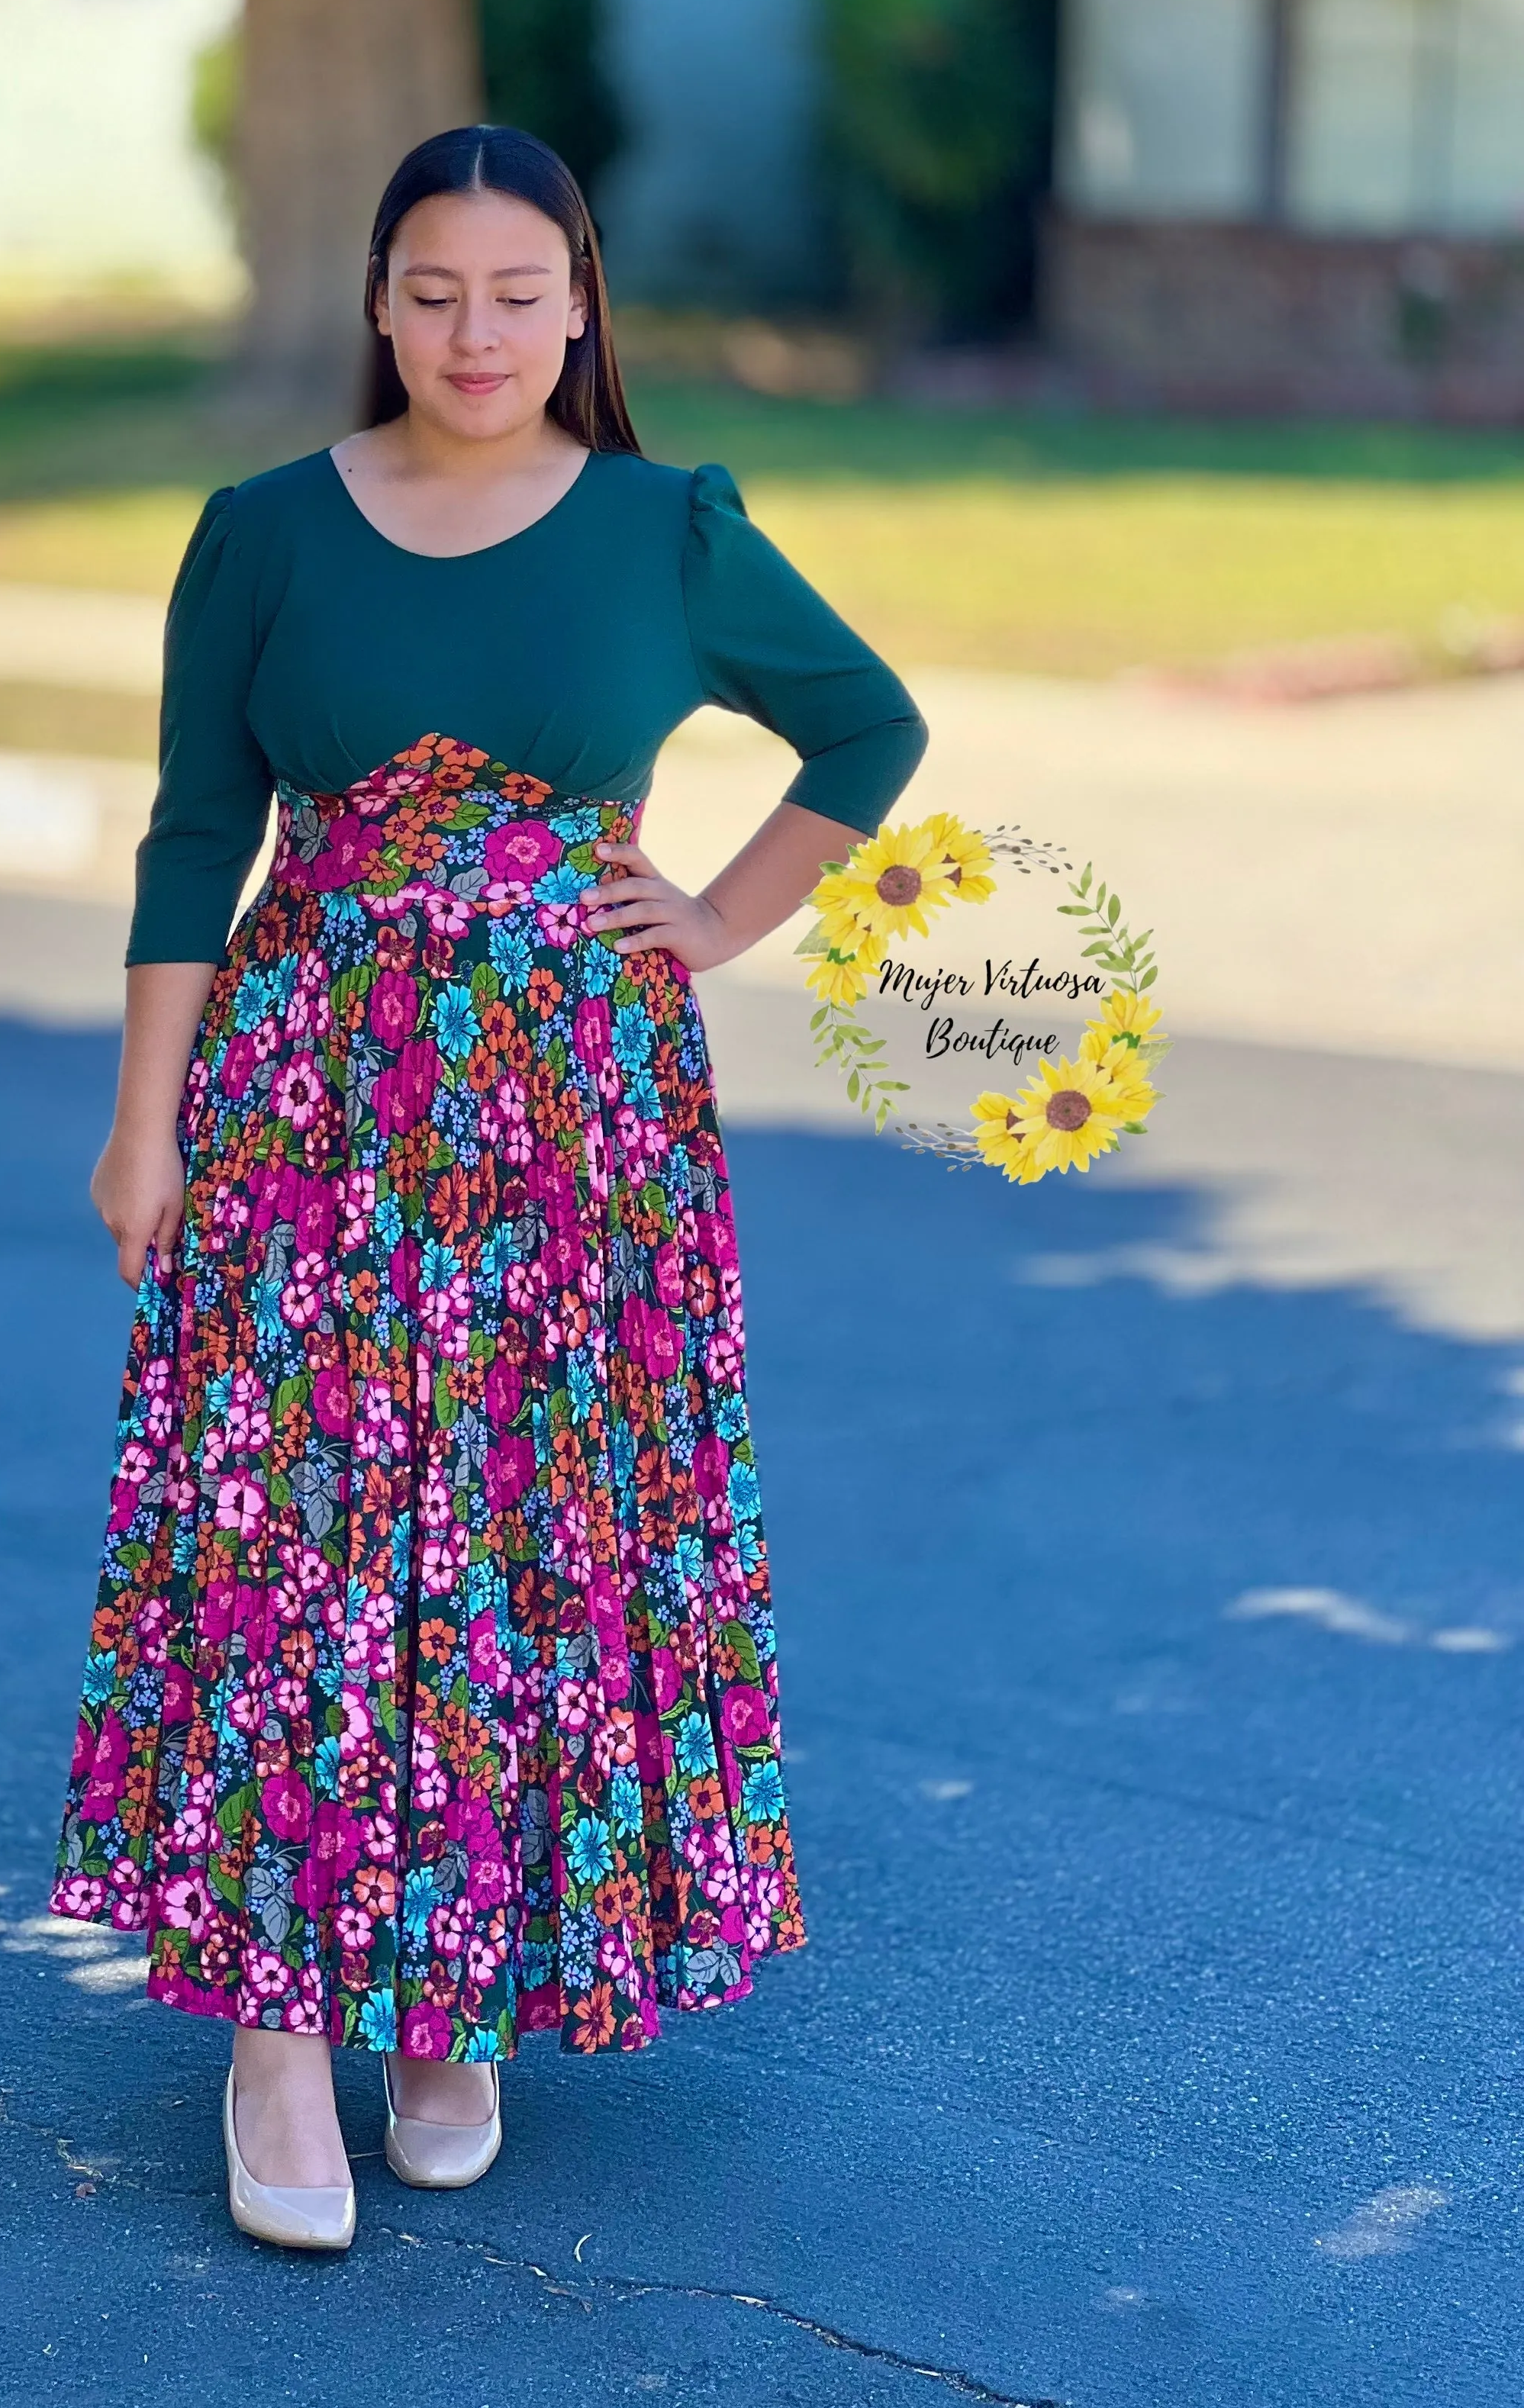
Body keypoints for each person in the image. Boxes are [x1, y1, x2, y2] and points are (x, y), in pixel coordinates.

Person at [49, 124, 927, 2252]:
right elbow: (195, 837)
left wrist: (714, 920)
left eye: (519, 294)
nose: (476, 333)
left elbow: (867, 728)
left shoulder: (668, 529)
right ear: (376, 300)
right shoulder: (261, 536)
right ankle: (276, 2040)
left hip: (577, 1120)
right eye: (434, 291)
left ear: (582, 306)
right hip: (309, 1096)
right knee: (302, 1540)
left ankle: (452, 1993)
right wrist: (142, 1113)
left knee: (522, 1530)